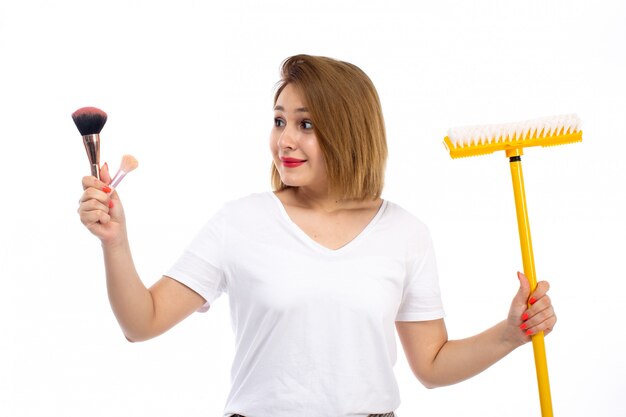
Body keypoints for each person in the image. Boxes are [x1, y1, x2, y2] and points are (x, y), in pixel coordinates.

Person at [77, 54, 557, 417]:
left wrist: (510, 334)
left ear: (349, 131)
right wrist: (115, 242)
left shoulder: (406, 234)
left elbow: (431, 366)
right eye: (280, 119)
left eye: (306, 124)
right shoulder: (239, 223)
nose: (285, 139)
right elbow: (142, 324)